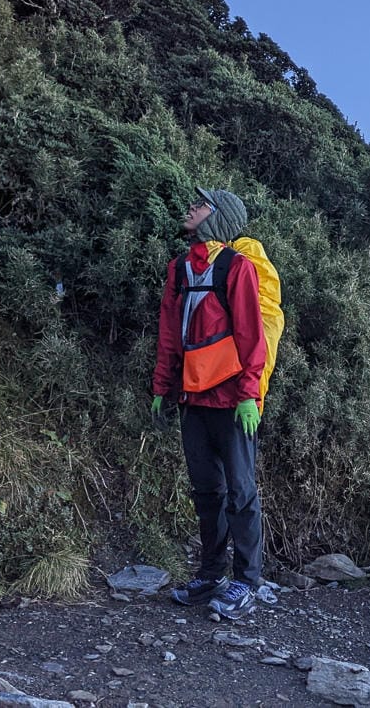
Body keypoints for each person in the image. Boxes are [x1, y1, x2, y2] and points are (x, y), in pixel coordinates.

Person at [151, 186, 266, 620]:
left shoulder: (237, 268)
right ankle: (211, 575)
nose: (191, 208)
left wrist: (249, 393)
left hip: (233, 400)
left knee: (240, 492)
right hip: (192, 398)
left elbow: (252, 335)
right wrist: (163, 388)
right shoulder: (178, 269)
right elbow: (168, 332)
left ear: (216, 218)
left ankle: (246, 581)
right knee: (206, 491)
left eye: (200, 205)